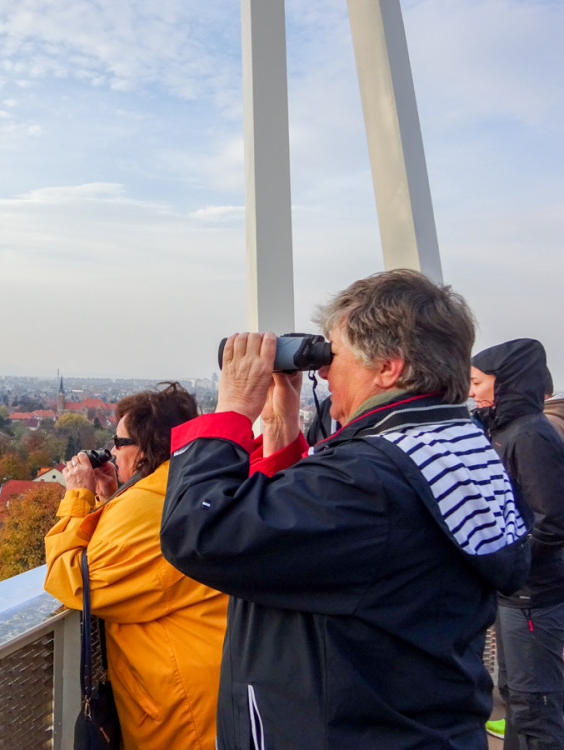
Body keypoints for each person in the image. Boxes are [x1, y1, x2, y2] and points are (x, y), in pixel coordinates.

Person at [160, 269, 531, 749]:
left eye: (332, 354)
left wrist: (230, 410)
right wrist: (281, 433)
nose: (323, 371)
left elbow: (200, 530)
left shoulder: (372, 480)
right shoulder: (446, 449)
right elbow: (320, 545)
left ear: (388, 368)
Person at [44, 382, 228, 750]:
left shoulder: (145, 507)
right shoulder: (187, 486)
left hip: (182, 714)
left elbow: (71, 580)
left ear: (144, 449)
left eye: (119, 442)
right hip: (213, 691)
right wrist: (115, 497)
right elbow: (137, 558)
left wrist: (77, 496)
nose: (112, 451)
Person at [471, 339, 564, 749]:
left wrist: (514, 564)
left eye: (477, 382)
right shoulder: (506, 429)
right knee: (515, 698)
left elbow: (552, 520)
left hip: (534, 596)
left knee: (535, 705)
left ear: (503, 382)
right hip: (515, 594)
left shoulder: (529, 435)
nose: (472, 391)